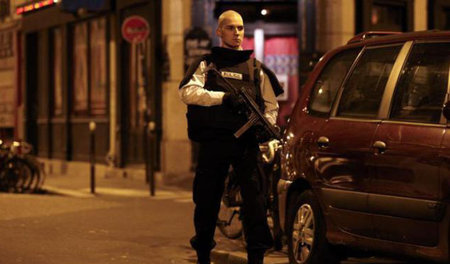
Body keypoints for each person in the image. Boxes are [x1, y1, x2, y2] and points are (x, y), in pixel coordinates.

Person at [179, 10, 283, 264]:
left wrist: (264, 128)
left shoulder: (256, 68)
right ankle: (203, 253)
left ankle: (256, 256)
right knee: (206, 201)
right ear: (219, 31)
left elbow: (271, 107)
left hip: (245, 144)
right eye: (230, 28)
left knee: (256, 202)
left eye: (240, 28)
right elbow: (188, 92)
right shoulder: (208, 63)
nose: (237, 33)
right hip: (214, 142)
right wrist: (223, 97)